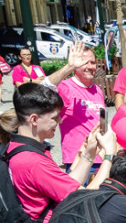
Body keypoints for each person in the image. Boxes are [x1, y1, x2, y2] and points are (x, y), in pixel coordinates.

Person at [5, 84, 115, 223]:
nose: (60, 122)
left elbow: (65, 186)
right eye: (55, 118)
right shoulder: (33, 162)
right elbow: (85, 198)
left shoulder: (23, 148)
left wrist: (88, 154)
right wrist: (110, 155)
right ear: (34, 119)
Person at [43, 42, 106, 170]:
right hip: (78, 160)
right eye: (84, 63)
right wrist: (69, 67)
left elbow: (103, 122)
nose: (89, 67)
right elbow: (43, 89)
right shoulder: (66, 87)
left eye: (92, 62)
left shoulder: (97, 90)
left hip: (101, 158)